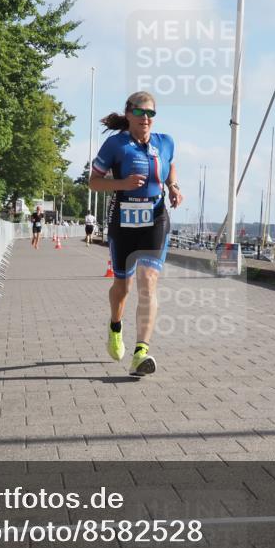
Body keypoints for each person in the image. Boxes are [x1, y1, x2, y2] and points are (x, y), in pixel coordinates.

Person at [89, 91, 183, 377]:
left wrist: (174, 187)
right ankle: (115, 327)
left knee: (148, 281)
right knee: (123, 287)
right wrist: (122, 183)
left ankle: (141, 351)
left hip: (155, 219)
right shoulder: (115, 145)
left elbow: (170, 167)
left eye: (150, 114)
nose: (145, 119)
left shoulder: (164, 142)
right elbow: (93, 183)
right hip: (123, 222)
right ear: (128, 113)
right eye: (140, 113)